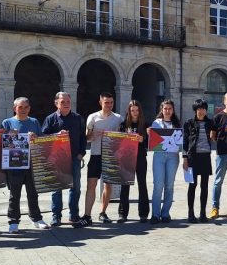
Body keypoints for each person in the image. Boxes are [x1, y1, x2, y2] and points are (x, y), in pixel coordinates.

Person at [2, 97, 50, 233]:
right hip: (14, 163)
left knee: (33, 193)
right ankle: (13, 221)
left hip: (32, 162)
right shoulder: (7, 123)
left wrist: (36, 137)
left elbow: (41, 140)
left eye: (25, 107)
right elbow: (1, 143)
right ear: (14, 108)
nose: (23, 110)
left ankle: (36, 218)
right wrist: (9, 135)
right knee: (14, 194)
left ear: (29, 108)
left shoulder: (34, 122)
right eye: (20, 107)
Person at [77, 92, 123, 227]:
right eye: (106, 102)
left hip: (111, 155)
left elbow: (123, 136)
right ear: (100, 103)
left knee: (108, 185)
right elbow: (86, 137)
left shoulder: (118, 118)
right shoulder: (93, 117)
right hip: (96, 154)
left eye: (111, 103)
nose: (109, 105)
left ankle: (103, 212)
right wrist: (92, 135)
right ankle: (87, 215)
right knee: (91, 185)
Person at [41, 92, 86, 226]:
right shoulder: (51, 119)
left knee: (75, 187)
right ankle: (56, 216)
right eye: (62, 102)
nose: (66, 104)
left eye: (67, 102)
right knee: (57, 188)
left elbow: (83, 137)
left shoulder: (78, 118)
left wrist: (81, 153)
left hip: (74, 158)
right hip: (57, 160)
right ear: (56, 103)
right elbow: (43, 137)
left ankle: (74, 215)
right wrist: (56, 135)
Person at [149, 99, 182, 224]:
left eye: (170, 109)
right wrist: (150, 133)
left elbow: (180, 142)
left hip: (173, 157)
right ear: (161, 110)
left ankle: (165, 213)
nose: (167, 111)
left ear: (173, 110)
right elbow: (152, 140)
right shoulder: (156, 123)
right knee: (158, 185)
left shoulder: (177, 124)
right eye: (165, 109)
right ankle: (155, 214)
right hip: (159, 156)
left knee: (169, 185)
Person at [117, 100, 149, 223]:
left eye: (137, 110)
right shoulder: (123, 125)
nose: (135, 113)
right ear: (129, 112)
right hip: (127, 158)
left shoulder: (145, 125)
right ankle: (122, 214)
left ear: (140, 111)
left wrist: (143, 140)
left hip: (140, 157)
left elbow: (150, 144)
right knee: (125, 185)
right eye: (132, 110)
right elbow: (118, 142)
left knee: (142, 184)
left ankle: (143, 213)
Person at [183, 99, 215, 223]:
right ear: (195, 110)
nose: (201, 111)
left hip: (205, 157)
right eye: (198, 109)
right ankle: (191, 213)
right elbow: (185, 141)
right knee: (192, 185)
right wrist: (185, 158)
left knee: (204, 186)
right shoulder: (189, 123)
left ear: (206, 110)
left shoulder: (210, 123)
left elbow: (218, 133)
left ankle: (203, 213)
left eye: (203, 109)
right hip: (192, 158)